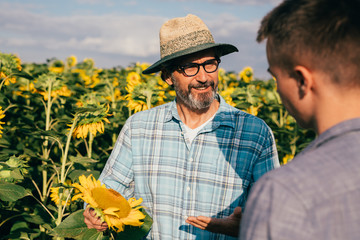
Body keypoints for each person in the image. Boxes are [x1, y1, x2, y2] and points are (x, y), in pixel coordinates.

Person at [83, 14, 279, 239]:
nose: (204, 77)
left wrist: (247, 226)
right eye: (190, 67)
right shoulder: (139, 128)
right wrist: (93, 212)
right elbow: (110, 187)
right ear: (168, 76)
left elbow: (274, 213)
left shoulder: (254, 133)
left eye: (210, 64)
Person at [240, 0, 360, 239]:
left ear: (302, 80)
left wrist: (266, 220)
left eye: (276, 77)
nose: (277, 89)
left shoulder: (285, 192)